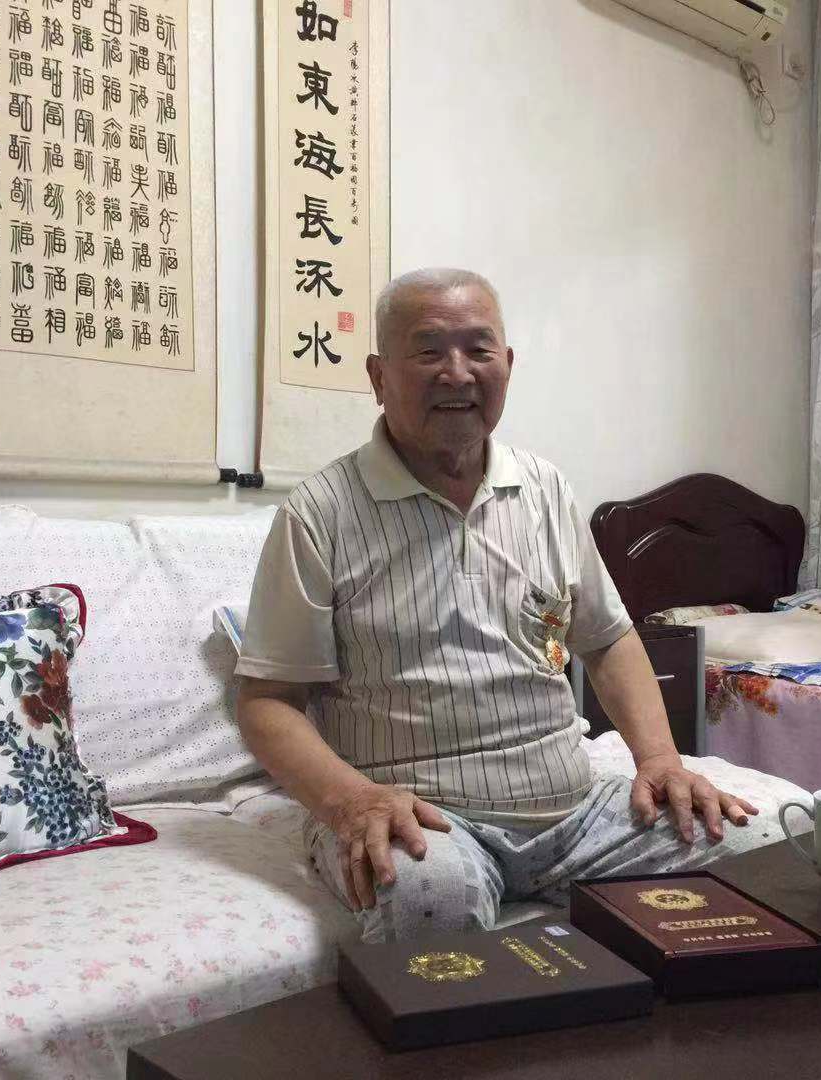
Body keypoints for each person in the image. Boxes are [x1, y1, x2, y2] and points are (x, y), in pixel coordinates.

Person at [235, 268, 758, 942]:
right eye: (428, 351)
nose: (457, 373)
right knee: (431, 896)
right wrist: (351, 801)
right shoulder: (320, 513)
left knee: (757, 846)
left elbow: (607, 640)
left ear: (507, 365)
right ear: (378, 375)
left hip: (575, 815)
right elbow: (268, 701)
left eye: (478, 350)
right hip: (419, 819)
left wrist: (659, 759)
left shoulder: (545, 489)